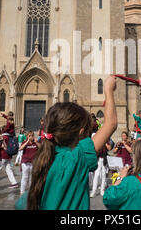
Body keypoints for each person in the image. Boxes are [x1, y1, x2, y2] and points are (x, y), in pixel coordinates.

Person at [15, 75, 117, 210]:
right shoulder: (77, 158)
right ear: (80, 133)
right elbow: (111, 123)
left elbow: (21, 204)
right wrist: (109, 90)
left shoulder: (45, 159)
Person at [19, 131, 39, 195]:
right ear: (27, 136)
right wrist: (27, 142)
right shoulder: (24, 142)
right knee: (25, 177)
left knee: (32, 178)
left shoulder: (35, 143)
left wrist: (36, 142)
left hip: (33, 162)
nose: (31, 137)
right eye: (29, 136)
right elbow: (20, 148)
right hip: (25, 162)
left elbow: (41, 148)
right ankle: (22, 192)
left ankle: (31, 191)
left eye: (32, 135)